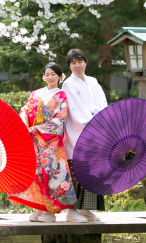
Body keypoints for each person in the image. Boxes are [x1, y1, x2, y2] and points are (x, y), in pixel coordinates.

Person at [9, 63, 83, 222]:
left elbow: (61, 118)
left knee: (51, 174)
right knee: (35, 174)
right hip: (33, 140)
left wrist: (40, 128)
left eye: (53, 74)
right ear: (43, 76)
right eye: (47, 74)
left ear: (59, 77)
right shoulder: (35, 94)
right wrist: (24, 125)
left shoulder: (61, 95)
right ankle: (38, 208)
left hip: (51, 143)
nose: (50, 77)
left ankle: (51, 212)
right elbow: (25, 110)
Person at [62, 48, 108, 221]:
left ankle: (86, 209)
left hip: (96, 129)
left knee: (92, 172)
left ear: (85, 63)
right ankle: (71, 210)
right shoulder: (68, 83)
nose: (77, 66)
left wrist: (101, 116)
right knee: (76, 172)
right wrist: (91, 121)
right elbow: (75, 109)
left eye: (80, 62)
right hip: (79, 131)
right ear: (69, 66)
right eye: (73, 63)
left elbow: (102, 102)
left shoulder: (93, 81)